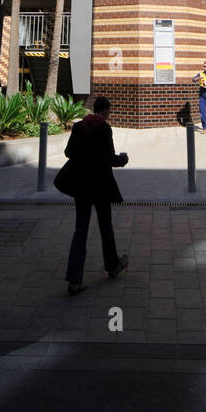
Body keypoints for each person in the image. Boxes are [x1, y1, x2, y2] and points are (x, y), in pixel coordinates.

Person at [60, 97, 129, 296]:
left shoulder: (78, 126)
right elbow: (110, 159)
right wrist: (123, 159)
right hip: (100, 186)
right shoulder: (104, 129)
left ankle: (74, 280)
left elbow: (68, 152)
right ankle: (112, 265)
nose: (109, 114)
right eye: (109, 110)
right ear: (105, 110)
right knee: (105, 226)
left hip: (80, 185)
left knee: (80, 229)